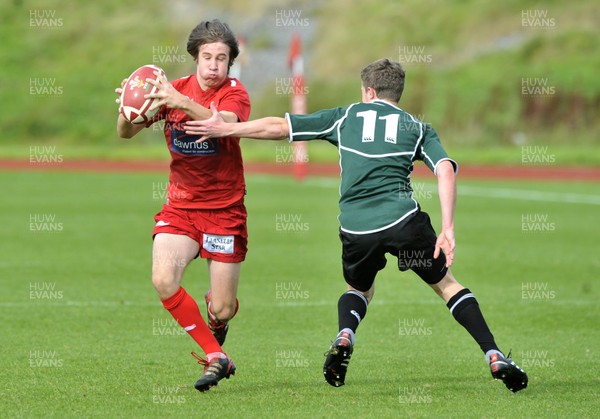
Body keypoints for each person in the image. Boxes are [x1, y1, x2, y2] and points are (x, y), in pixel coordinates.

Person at [184, 58, 529, 393]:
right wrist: (448, 228)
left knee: (359, 289)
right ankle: (493, 354)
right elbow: (445, 170)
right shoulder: (417, 127)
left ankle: (346, 335)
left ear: (368, 91)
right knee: (447, 285)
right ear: (397, 93)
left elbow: (282, 126)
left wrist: (227, 128)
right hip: (404, 222)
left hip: (356, 228)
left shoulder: (346, 115)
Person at [115, 19, 250, 392]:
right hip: (181, 209)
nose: (213, 65)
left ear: (229, 64)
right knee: (163, 279)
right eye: (207, 56)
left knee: (222, 308)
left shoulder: (234, 94)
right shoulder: (171, 90)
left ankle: (216, 319)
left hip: (225, 212)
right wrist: (130, 107)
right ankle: (215, 356)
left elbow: (221, 123)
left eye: (222, 58)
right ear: (195, 58)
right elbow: (125, 134)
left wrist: (179, 102)